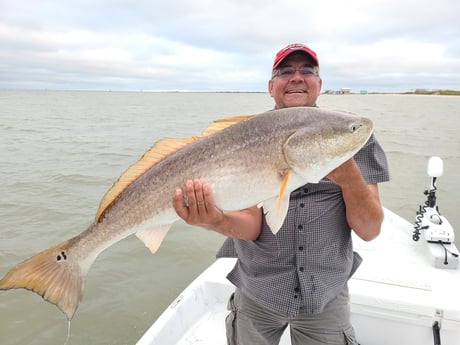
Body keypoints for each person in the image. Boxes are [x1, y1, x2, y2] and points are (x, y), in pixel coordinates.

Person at [173, 43, 390, 345]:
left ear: (319, 84)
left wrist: (349, 178)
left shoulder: (350, 138)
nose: (297, 78)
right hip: (258, 290)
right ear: (271, 86)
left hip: (325, 294)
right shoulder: (247, 136)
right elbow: (252, 225)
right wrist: (214, 220)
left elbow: (370, 230)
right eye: (286, 71)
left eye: (308, 71)